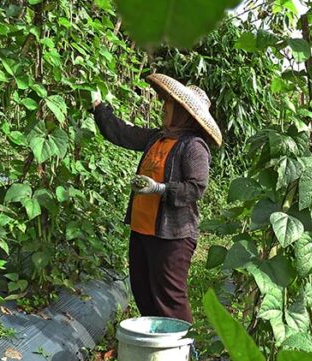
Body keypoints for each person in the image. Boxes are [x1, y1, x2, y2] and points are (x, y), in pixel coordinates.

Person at [91, 74, 222, 323]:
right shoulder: (157, 138)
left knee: (169, 298)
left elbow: (196, 188)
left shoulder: (193, 146)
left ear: (182, 112)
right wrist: (99, 108)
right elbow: (123, 134)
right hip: (143, 229)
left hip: (172, 236)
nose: (163, 108)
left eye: (169, 105)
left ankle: (182, 353)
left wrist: (159, 189)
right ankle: (156, 348)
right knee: (143, 291)